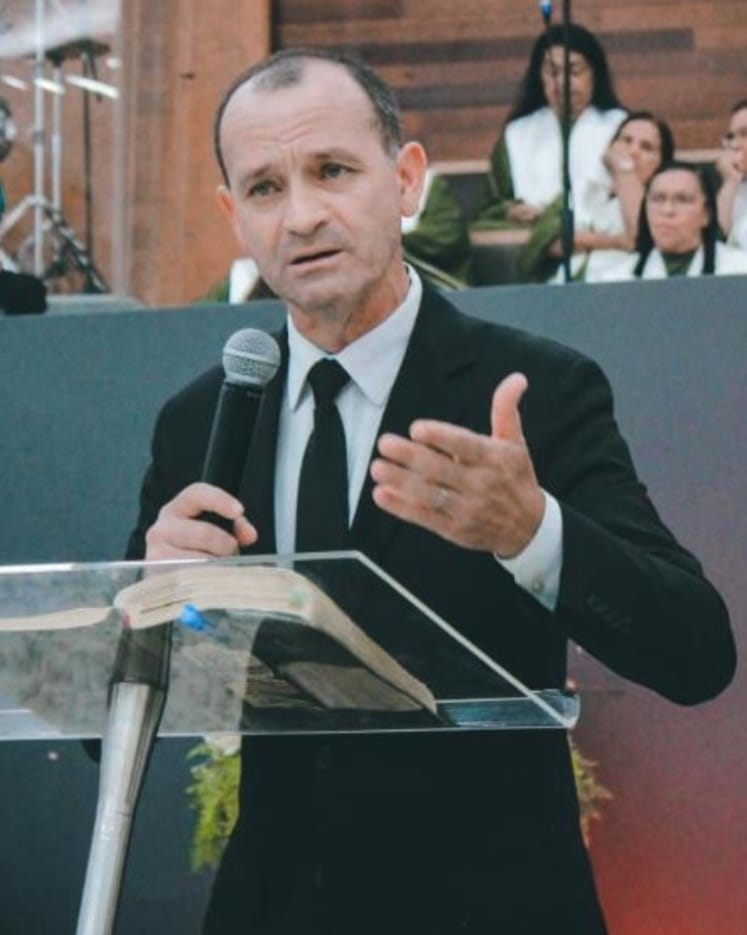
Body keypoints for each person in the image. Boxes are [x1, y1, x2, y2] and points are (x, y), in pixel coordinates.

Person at [127, 48, 736, 934]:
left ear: (407, 180)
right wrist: (151, 608)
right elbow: (108, 724)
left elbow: (694, 653)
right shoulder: (202, 420)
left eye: (333, 171)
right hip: (274, 906)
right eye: (264, 188)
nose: (301, 215)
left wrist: (532, 533)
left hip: (494, 904)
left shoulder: (535, 389)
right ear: (234, 217)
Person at [472, 23, 627, 281]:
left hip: (605, 251)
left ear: (594, 74)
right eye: (552, 72)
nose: (562, 83)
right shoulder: (517, 133)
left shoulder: (621, 127)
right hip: (534, 254)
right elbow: (493, 205)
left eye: (574, 71)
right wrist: (513, 210)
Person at [550, 110, 675, 282]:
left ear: (661, 162)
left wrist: (624, 169)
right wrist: (615, 242)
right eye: (626, 141)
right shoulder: (584, 189)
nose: (633, 151)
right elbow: (553, 244)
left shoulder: (664, 202)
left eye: (646, 147)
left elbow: (639, 238)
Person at [592, 161, 747, 281]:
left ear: (706, 214)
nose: (668, 210)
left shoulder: (739, 269)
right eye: (658, 199)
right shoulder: (614, 279)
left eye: (683, 199)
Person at [716, 99, 747, 250]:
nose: (735, 144)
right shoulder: (734, 187)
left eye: (745, 134)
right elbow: (720, 238)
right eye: (732, 136)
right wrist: (730, 182)